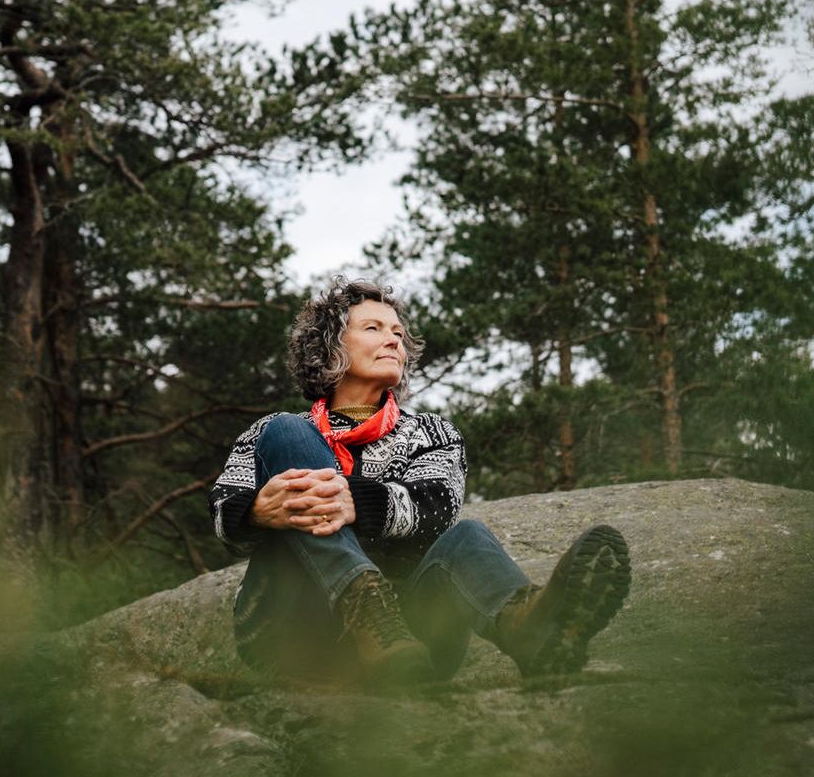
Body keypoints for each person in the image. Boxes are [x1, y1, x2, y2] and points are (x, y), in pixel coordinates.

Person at [208, 277, 631, 687]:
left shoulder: (432, 432)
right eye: (373, 328)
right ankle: (364, 609)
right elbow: (225, 514)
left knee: (467, 534)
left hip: (411, 640)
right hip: (294, 631)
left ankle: (528, 629)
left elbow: (438, 505)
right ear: (329, 345)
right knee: (287, 433)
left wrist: (358, 502)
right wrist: (257, 513)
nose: (394, 340)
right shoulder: (273, 433)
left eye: (398, 332)